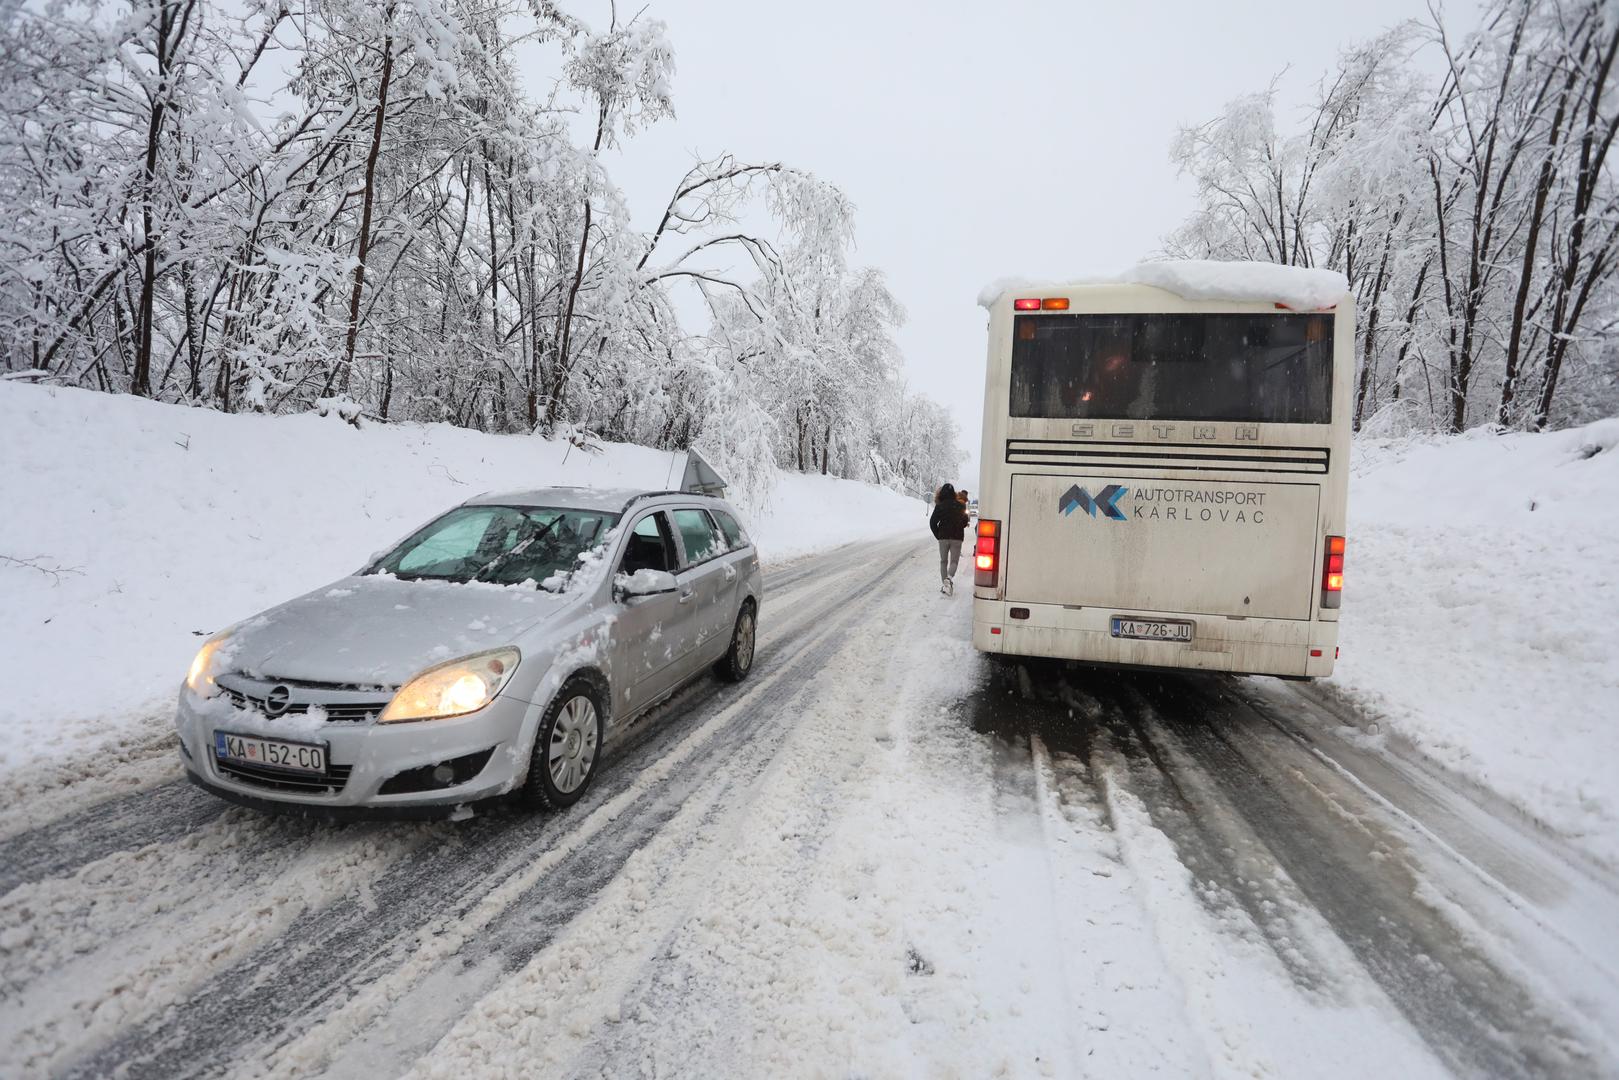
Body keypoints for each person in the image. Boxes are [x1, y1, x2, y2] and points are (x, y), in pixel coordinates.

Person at [929, 483, 970, 595]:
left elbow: (932, 522)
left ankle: (945, 585)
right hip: (957, 537)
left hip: (943, 537)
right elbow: (965, 522)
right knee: (954, 561)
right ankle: (949, 578)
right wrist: (957, 525)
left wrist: (938, 535)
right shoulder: (960, 506)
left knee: (943, 561)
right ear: (953, 493)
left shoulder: (940, 505)